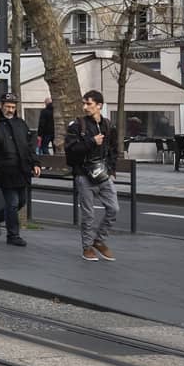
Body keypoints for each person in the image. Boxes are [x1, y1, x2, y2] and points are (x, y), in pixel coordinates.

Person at [66, 89, 119, 262]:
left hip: (103, 174)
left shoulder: (108, 125)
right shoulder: (77, 126)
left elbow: (113, 150)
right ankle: (87, 247)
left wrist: (111, 170)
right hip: (84, 174)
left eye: (89, 103)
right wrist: (91, 141)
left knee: (113, 209)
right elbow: (70, 151)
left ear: (99, 106)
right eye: (85, 103)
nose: (85, 107)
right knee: (88, 215)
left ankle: (99, 240)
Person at [0, 92, 41, 246]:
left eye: (13, 107)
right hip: (5, 170)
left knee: (21, 201)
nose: (10, 109)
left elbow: (30, 146)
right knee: (13, 203)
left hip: (21, 169)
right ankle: (13, 235)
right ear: (1, 106)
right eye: (8, 106)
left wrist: (36, 163)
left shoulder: (20, 123)